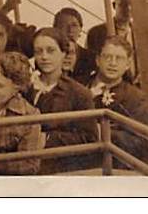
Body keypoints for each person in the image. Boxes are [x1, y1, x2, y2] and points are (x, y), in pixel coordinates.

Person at [26, 27, 97, 173]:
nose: (44, 57)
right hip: (25, 164)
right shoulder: (26, 88)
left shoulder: (79, 93)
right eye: (39, 51)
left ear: (63, 54)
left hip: (62, 167)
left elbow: (90, 138)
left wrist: (47, 139)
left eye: (51, 50)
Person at [88, 37, 148, 160]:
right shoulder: (80, 86)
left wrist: (102, 132)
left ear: (128, 64)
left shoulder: (136, 98)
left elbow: (142, 143)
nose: (113, 63)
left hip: (114, 163)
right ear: (98, 60)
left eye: (119, 58)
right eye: (107, 57)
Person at [81, 0, 136, 81]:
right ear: (114, 5)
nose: (128, 9)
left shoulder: (140, 33)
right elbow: (89, 65)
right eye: (123, 5)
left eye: (132, 5)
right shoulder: (96, 33)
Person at [53, 8, 89, 82]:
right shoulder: (48, 55)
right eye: (64, 25)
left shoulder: (90, 58)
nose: (70, 30)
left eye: (74, 25)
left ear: (80, 29)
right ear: (55, 28)